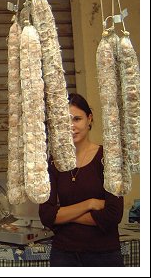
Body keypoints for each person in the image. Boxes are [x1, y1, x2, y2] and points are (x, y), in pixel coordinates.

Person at [39, 93, 124, 267]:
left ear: (89, 119)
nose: (71, 126)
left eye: (77, 119)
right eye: (65, 121)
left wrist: (63, 214)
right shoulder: (55, 162)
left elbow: (113, 214)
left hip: (104, 255)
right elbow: (46, 215)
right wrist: (90, 204)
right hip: (64, 255)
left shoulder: (107, 158)